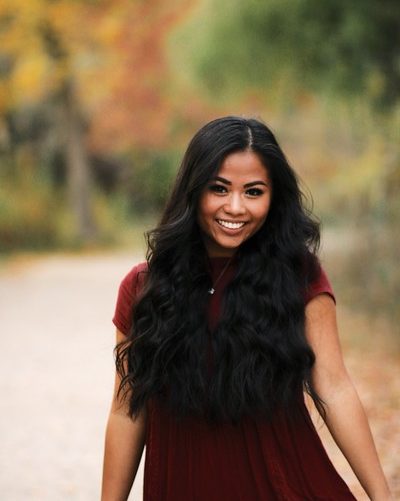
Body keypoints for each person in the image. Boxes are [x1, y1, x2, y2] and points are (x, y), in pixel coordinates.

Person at [101, 116, 392, 500]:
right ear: (193, 190)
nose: (235, 207)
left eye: (253, 192)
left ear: (274, 199)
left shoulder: (299, 278)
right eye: (219, 189)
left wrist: (383, 497)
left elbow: (335, 388)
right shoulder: (144, 289)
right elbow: (126, 411)